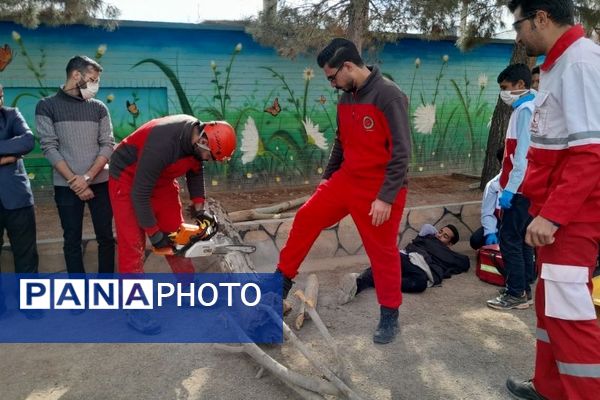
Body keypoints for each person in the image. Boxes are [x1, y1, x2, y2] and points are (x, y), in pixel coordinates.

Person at [274, 38, 411, 344]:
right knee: (307, 216)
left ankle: (390, 316)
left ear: (348, 66)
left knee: (382, 252)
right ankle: (279, 285)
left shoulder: (389, 95)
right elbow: (341, 142)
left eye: (332, 77)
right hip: (347, 179)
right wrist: (326, 179)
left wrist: (386, 197)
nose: (332, 84)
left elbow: (402, 151)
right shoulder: (346, 97)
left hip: (381, 187)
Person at [506, 0, 600, 399]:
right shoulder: (558, 64)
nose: (518, 35)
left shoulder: (579, 63)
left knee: (570, 318)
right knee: (550, 311)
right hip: (553, 214)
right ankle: (550, 388)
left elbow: (591, 152)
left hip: (573, 217)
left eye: (519, 24)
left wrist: (554, 217)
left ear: (541, 17)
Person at [108, 115, 235, 334]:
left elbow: (196, 172)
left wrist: (200, 209)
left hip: (161, 180)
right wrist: (154, 233)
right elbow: (140, 193)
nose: (207, 159)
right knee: (133, 245)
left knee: (178, 235)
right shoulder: (164, 142)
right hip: (128, 180)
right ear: (202, 140)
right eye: (208, 155)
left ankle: (188, 290)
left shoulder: (198, 145)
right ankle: (134, 307)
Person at [36, 56, 115, 275]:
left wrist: (87, 178)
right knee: (71, 239)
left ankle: (105, 288)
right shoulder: (46, 106)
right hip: (66, 186)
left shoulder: (99, 108)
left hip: (99, 182)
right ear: (76, 75)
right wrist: (75, 181)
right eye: (92, 79)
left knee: (106, 237)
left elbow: (108, 144)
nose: (95, 86)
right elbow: (49, 147)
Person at [486, 64, 536, 311]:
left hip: (519, 189)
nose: (503, 93)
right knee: (523, 239)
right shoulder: (529, 107)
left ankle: (517, 293)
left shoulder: (525, 111)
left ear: (519, 85)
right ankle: (523, 285)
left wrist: (510, 189)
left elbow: (523, 156)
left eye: (506, 88)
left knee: (510, 240)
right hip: (524, 188)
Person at [338, 224, 469, 303]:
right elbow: (427, 227)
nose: (440, 235)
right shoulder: (427, 238)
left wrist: (447, 250)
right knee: (387, 263)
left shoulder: (448, 254)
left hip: (420, 271)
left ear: (450, 244)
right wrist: (435, 234)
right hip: (407, 258)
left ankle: (365, 282)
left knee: (420, 284)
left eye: (445, 236)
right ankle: (357, 285)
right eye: (440, 232)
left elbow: (464, 262)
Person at [0, 84, 40, 319]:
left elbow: (27, 141)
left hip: (17, 197)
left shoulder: (12, 114)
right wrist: (7, 156)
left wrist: (14, 152)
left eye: (1, 95)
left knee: (26, 253)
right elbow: (17, 147)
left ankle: (31, 304)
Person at [470, 147, 505, 250]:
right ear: (501, 163)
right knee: (476, 240)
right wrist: (491, 232)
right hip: (500, 223)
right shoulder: (492, 185)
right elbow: (487, 213)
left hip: (520, 223)